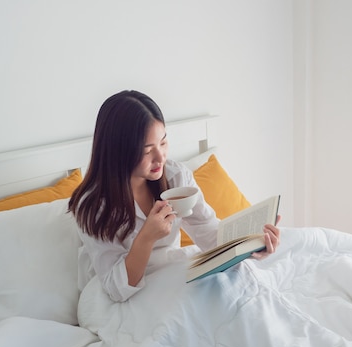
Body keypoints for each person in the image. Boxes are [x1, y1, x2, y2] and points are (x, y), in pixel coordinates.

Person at [69, 90, 280, 302]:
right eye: (146, 150)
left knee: (238, 286)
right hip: (120, 296)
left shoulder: (176, 177)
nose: (160, 157)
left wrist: (251, 246)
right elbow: (117, 289)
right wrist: (147, 237)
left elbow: (208, 233)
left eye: (163, 142)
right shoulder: (93, 205)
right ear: (118, 151)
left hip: (172, 273)